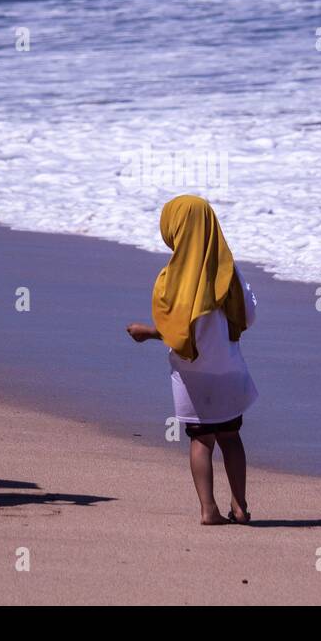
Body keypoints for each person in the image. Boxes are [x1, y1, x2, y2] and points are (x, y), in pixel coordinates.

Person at [126, 195, 258, 525]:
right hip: (227, 369)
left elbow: (178, 331)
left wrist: (148, 332)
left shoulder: (170, 278)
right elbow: (250, 314)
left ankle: (208, 509)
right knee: (231, 438)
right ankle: (240, 506)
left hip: (191, 374)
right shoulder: (228, 271)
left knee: (202, 440)